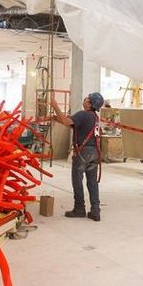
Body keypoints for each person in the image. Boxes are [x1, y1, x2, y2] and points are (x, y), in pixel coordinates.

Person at [50, 92, 104, 221]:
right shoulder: (95, 117)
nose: (84, 99)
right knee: (92, 182)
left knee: (77, 180)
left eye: (87, 98)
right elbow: (70, 124)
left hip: (83, 152)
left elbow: (66, 120)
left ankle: (79, 208)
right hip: (94, 153)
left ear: (89, 103)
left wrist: (55, 106)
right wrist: (56, 118)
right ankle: (95, 211)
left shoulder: (83, 114)